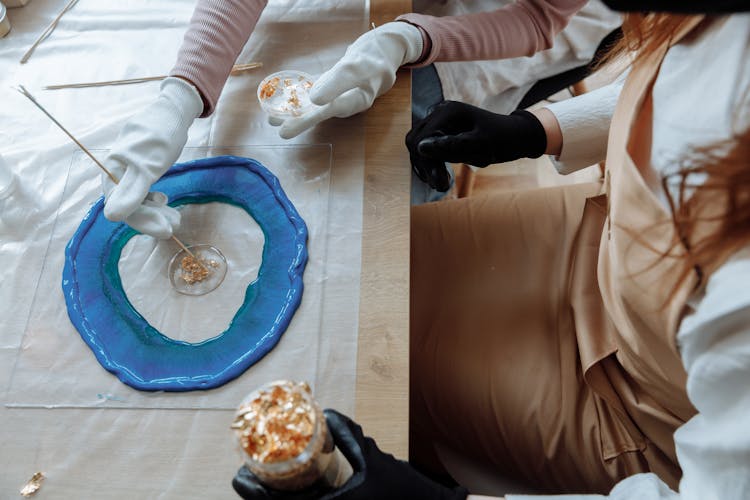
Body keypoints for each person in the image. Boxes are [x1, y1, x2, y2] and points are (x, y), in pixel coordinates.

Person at [233, 0, 750, 498]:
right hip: (600, 240)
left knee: (353, 365)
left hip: (636, 405)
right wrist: (536, 129)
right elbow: (691, 80)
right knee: (351, 280)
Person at [99, 0, 593, 239]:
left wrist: (410, 39)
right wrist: (181, 94)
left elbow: (537, 17)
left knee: (372, 213)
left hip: (493, 14)